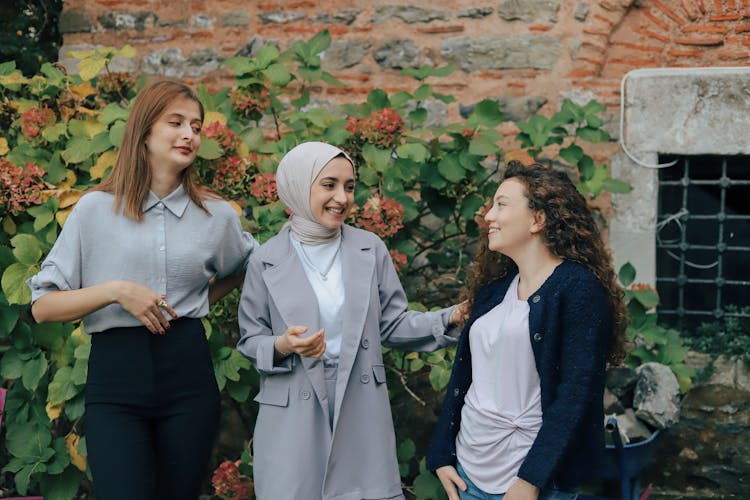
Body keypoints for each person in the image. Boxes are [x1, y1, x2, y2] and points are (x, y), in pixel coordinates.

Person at [27, 79, 258, 500]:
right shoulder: (94, 210)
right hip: (116, 381)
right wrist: (117, 291)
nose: (190, 134)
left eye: (197, 125)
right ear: (145, 130)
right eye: (176, 122)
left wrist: (197, 302)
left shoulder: (218, 216)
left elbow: (247, 265)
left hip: (188, 377)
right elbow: (43, 306)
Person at [237, 141, 466, 500]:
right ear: (298, 186)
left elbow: (392, 324)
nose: (342, 198)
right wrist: (283, 345)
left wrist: (450, 317)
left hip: (359, 400)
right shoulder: (265, 260)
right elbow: (250, 341)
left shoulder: (370, 248)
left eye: (349, 186)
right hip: (293, 409)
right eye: (329, 185)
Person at [426, 161, 627, 500]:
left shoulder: (577, 289)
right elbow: (465, 380)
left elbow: (576, 393)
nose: (488, 215)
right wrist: (442, 455)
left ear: (538, 219)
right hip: (468, 472)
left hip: (531, 481)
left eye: (501, 204)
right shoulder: (494, 291)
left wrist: (530, 480)